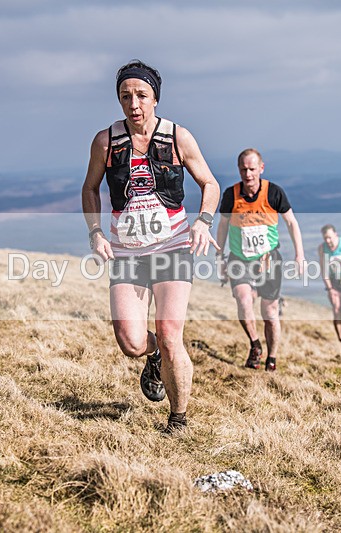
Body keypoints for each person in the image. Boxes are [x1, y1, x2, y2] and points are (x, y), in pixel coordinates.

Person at [82, 60, 220, 433]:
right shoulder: (106, 141)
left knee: (171, 330)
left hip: (172, 246)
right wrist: (96, 232)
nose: (134, 103)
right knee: (130, 340)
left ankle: (178, 419)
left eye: (141, 95)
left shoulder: (178, 137)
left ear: (155, 98)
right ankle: (153, 354)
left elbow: (210, 184)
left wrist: (203, 223)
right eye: (125, 96)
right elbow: (90, 188)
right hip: (126, 252)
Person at [216, 148, 304, 371]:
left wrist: (299, 255)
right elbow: (223, 226)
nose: (248, 174)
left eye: (252, 169)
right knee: (243, 300)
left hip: (269, 259)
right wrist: (220, 257)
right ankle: (255, 344)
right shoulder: (231, 195)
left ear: (261, 168)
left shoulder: (274, 192)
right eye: (244, 169)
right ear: (238, 169)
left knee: (269, 312)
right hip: (239, 258)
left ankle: (271, 358)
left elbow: (292, 223)